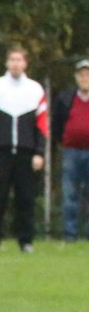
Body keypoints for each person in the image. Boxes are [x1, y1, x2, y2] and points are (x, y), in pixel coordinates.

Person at [0, 48, 47, 253]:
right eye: (12, 59)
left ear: (25, 63)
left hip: (26, 152)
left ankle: (25, 241)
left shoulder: (35, 90)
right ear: (7, 62)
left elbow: (42, 125)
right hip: (0, 151)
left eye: (19, 60)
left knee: (25, 198)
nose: (15, 63)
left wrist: (39, 152)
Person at [59, 60, 89, 243]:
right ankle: (70, 235)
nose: (84, 78)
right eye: (81, 74)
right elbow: (57, 125)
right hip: (71, 152)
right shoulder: (66, 98)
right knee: (70, 194)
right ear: (76, 77)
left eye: (87, 74)